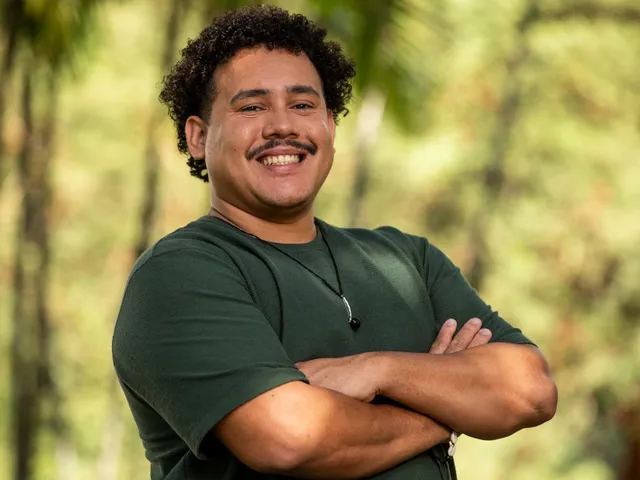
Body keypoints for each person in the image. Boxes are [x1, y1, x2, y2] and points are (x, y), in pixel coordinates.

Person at [112, 5, 557, 480]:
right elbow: (289, 437)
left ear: (330, 125)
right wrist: (445, 407)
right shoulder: (180, 274)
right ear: (199, 137)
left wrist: (377, 370)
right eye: (252, 107)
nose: (282, 126)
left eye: (302, 105)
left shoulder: (406, 261)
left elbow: (531, 390)